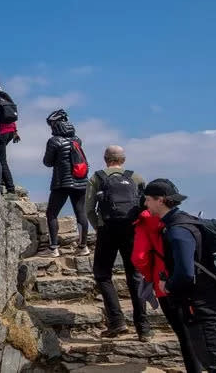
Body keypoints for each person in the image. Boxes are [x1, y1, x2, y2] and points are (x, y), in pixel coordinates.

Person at [145, 179, 216, 373]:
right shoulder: (185, 220)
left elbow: (185, 272)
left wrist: (167, 286)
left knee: (212, 358)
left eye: (148, 200)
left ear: (160, 201)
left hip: (198, 302)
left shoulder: (177, 231)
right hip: (207, 296)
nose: (145, 204)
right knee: (210, 355)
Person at [85, 145, 152, 340]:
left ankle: (117, 322)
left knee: (103, 274)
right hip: (133, 231)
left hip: (108, 230)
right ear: (123, 160)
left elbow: (89, 208)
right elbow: (146, 205)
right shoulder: (136, 177)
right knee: (135, 276)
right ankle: (143, 328)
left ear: (106, 159)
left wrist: (99, 227)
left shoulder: (97, 177)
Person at [132, 208, 202, 372]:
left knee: (185, 335)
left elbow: (139, 258)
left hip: (165, 285)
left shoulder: (145, 223)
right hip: (194, 281)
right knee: (201, 329)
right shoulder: (182, 217)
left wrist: (151, 276)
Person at [42, 109, 89, 257]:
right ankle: (83, 247)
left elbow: (47, 162)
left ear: (55, 125)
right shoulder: (77, 140)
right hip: (81, 181)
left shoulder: (54, 141)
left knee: (52, 213)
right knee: (80, 212)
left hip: (61, 182)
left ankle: (53, 248)